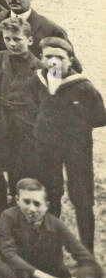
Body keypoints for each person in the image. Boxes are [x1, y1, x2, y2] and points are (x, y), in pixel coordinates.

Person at [0, 178, 104, 278]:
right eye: (26, 202)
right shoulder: (8, 217)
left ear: (47, 206)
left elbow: (91, 265)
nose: (31, 208)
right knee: (1, 268)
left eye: (37, 204)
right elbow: (8, 254)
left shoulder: (56, 225)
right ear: (17, 200)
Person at [33, 37, 105, 252]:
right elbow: (34, 104)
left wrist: (76, 128)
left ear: (70, 60)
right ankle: (49, 246)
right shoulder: (38, 80)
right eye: (48, 57)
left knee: (82, 197)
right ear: (41, 58)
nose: (53, 62)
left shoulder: (83, 87)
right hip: (47, 147)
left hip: (76, 149)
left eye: (59, 58)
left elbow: (100, 116)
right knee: (50, 192)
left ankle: (87, 250)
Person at [0, 18, 40, 215]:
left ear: (29, 40)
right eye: (7, 39)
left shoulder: (39, 66)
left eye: (17, 39)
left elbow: (42, 101)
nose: (12, 44)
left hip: (24, 129)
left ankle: (17, 210)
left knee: (20, 172)